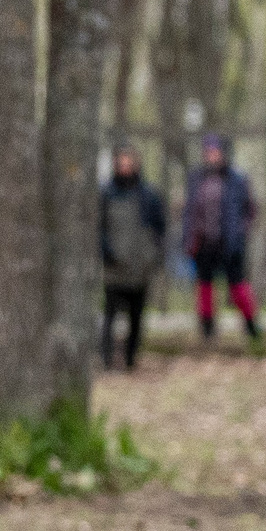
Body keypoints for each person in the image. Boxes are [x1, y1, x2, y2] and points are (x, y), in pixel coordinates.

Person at [182, 133, 261, 342]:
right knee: (205, 286)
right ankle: (207, 329)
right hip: (204, 243)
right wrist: (189, 238)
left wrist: (240, 231)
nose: (212, 156)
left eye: (216, 152)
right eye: (208, 152)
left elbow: (250, 210)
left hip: (230, 243)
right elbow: (189, 211)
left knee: (238, 285)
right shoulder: (196, 178)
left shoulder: (237, 179)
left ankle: (252, 325)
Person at [99, 145, 166, 370]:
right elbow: (99, 228)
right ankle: (106, 358)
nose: (126, 167)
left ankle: (130, 358)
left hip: (140, 267)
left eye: (130, 163)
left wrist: (151, 255)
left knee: (136, 316)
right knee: (110, 314)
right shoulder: (106, 193)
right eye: (122, 163)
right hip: (114, 267)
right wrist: (106, 252)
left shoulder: (149, 195)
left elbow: (159, 229)